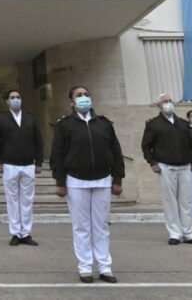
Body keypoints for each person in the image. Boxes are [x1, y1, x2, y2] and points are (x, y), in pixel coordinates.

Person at [51, 86, 124, 284]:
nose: (83, 98)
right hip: (75, 180)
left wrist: (117, 179)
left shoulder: (104, 123)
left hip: (102, 179)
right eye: (78, 96)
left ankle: (105, 267)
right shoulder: (65, 125)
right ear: (71, 102)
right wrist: (60, 182)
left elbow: (116, 151)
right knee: (81, 226)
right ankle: (85, 267)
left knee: (101, 226)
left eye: (86, 95)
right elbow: (57, 154)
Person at [141, 93, 192, 246]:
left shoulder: (183, 123)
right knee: (170, 201)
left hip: (184, 167)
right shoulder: (153, 124)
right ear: (159, 106)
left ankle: (189, 233)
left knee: (186, 200)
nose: (168, 103)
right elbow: (146, 146)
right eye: (165, 101)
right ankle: (175, 233)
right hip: (166, 167)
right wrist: (152, 163)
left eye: (170, 101)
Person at [0, 90, 44, 246]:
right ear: (7, 101)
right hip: (10, 165)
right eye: (12, 98)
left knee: (27, 200)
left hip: (28, 164)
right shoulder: (1, 119)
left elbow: (39, 141)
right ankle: (16, 232)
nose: (16, 100)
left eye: (18, 97)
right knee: (12, 200)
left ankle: (26, 233)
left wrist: (39, 162)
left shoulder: (30, 118)